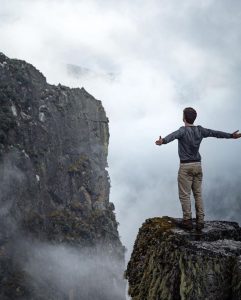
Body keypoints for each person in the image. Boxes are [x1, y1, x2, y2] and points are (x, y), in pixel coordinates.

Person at [155, 107, 241, 231]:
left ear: (183, 118)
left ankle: (188, 221)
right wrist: (231, 136)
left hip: (185, 166)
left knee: (185, 195)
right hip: (197, 165)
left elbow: (172, 136)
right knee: (198, 194)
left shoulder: (182, 131)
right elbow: (215, 133)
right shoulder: (200, 130)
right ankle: (200, 221)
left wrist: (162, 141)